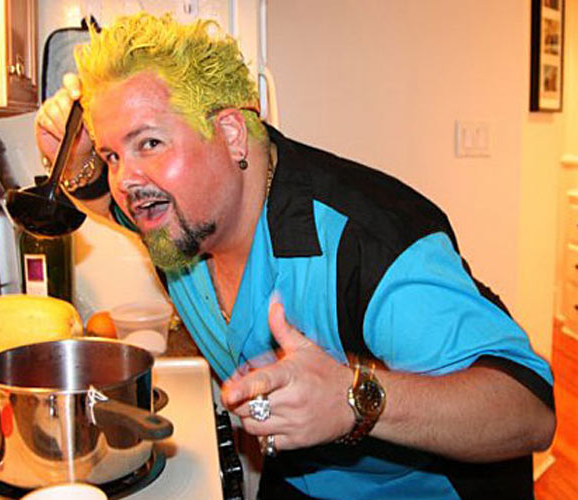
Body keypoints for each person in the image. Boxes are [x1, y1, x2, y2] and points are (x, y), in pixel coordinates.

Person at [35, 13, 555, 500]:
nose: (126, 181)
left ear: (231, 134)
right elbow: (108, 199)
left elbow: (530, 412)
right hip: (302, 476)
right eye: (113, 155)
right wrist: (78, 164)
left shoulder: (364, 241)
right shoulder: (176, 217)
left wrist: (353, 399)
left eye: (149, 143)